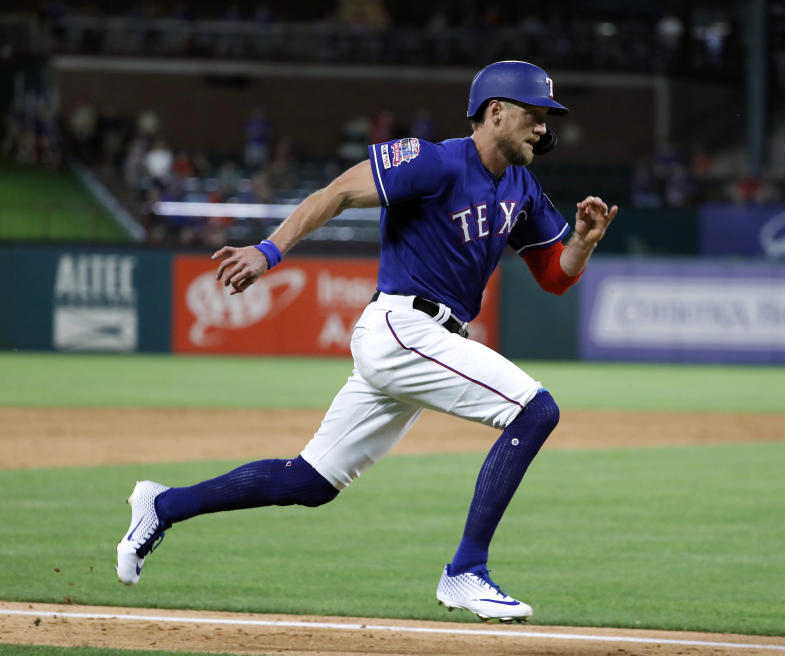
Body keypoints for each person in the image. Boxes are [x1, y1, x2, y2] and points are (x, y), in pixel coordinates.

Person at [116, 60, 617, 624]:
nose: (544, 128)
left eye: (548, 118)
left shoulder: (521, 184)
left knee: (308, 481)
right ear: (495, 111)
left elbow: (555, 276)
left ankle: (163, 505)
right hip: (405, 329)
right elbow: (335, 194)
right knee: (536, 410)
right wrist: (268, 251)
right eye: (535, 114)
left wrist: (582, 241)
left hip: (421, 339)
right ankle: (466, 571)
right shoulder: (432, 161)